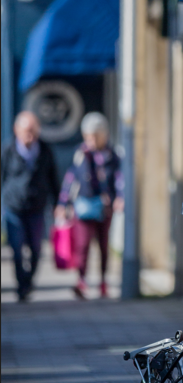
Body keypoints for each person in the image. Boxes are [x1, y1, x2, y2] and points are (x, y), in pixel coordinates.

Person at [55, 112, 123, 299]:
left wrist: (120, 197)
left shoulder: (112, 155)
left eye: (95, 136)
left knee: (103, 245)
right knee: (82, 244)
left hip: (104, 206)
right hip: (84, 206)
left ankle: (103, 282)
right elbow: (70, 179)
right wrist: (62, 202)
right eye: (88, 136)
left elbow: (119, 179)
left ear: (104, 135)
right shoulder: (81, 154)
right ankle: (81, 281)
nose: (91, 140)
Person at [1, 111, 60, 301]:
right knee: (16, 249)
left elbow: (53, 179)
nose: (30, 135)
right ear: (16, 130)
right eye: (27, 131)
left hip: (36, 207)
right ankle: (21, 286)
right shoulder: (7, 151)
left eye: (34, 131)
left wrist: (58, 203)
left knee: (36, 249)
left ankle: (29, 280)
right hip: (14, 207)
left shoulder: (44, 150)